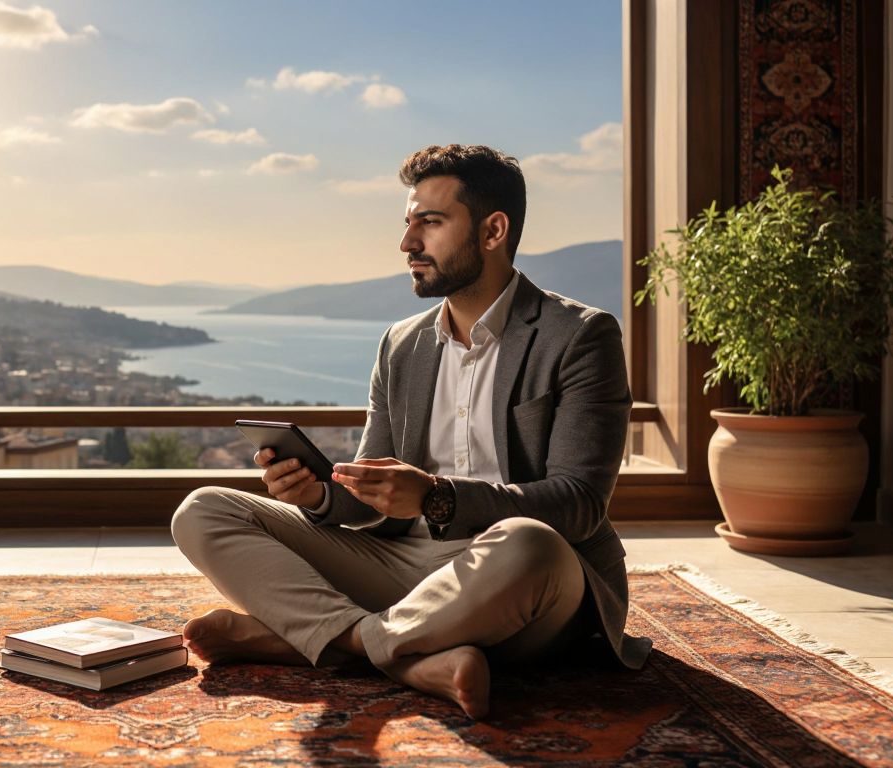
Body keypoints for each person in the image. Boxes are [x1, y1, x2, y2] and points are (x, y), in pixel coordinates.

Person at [170, 143, 650, 720]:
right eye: (408, 223)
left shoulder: (579, 336)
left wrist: (436, 496)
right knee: (204, 510)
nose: (407, 244)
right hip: (404, 566)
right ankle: (402, 652)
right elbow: (369, 497)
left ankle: (302, 641)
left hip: (521, 580)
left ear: (493, 230)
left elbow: (579, 505)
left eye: (430, 222)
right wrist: (322, 495)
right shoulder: (402, 343)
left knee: (529, 542)